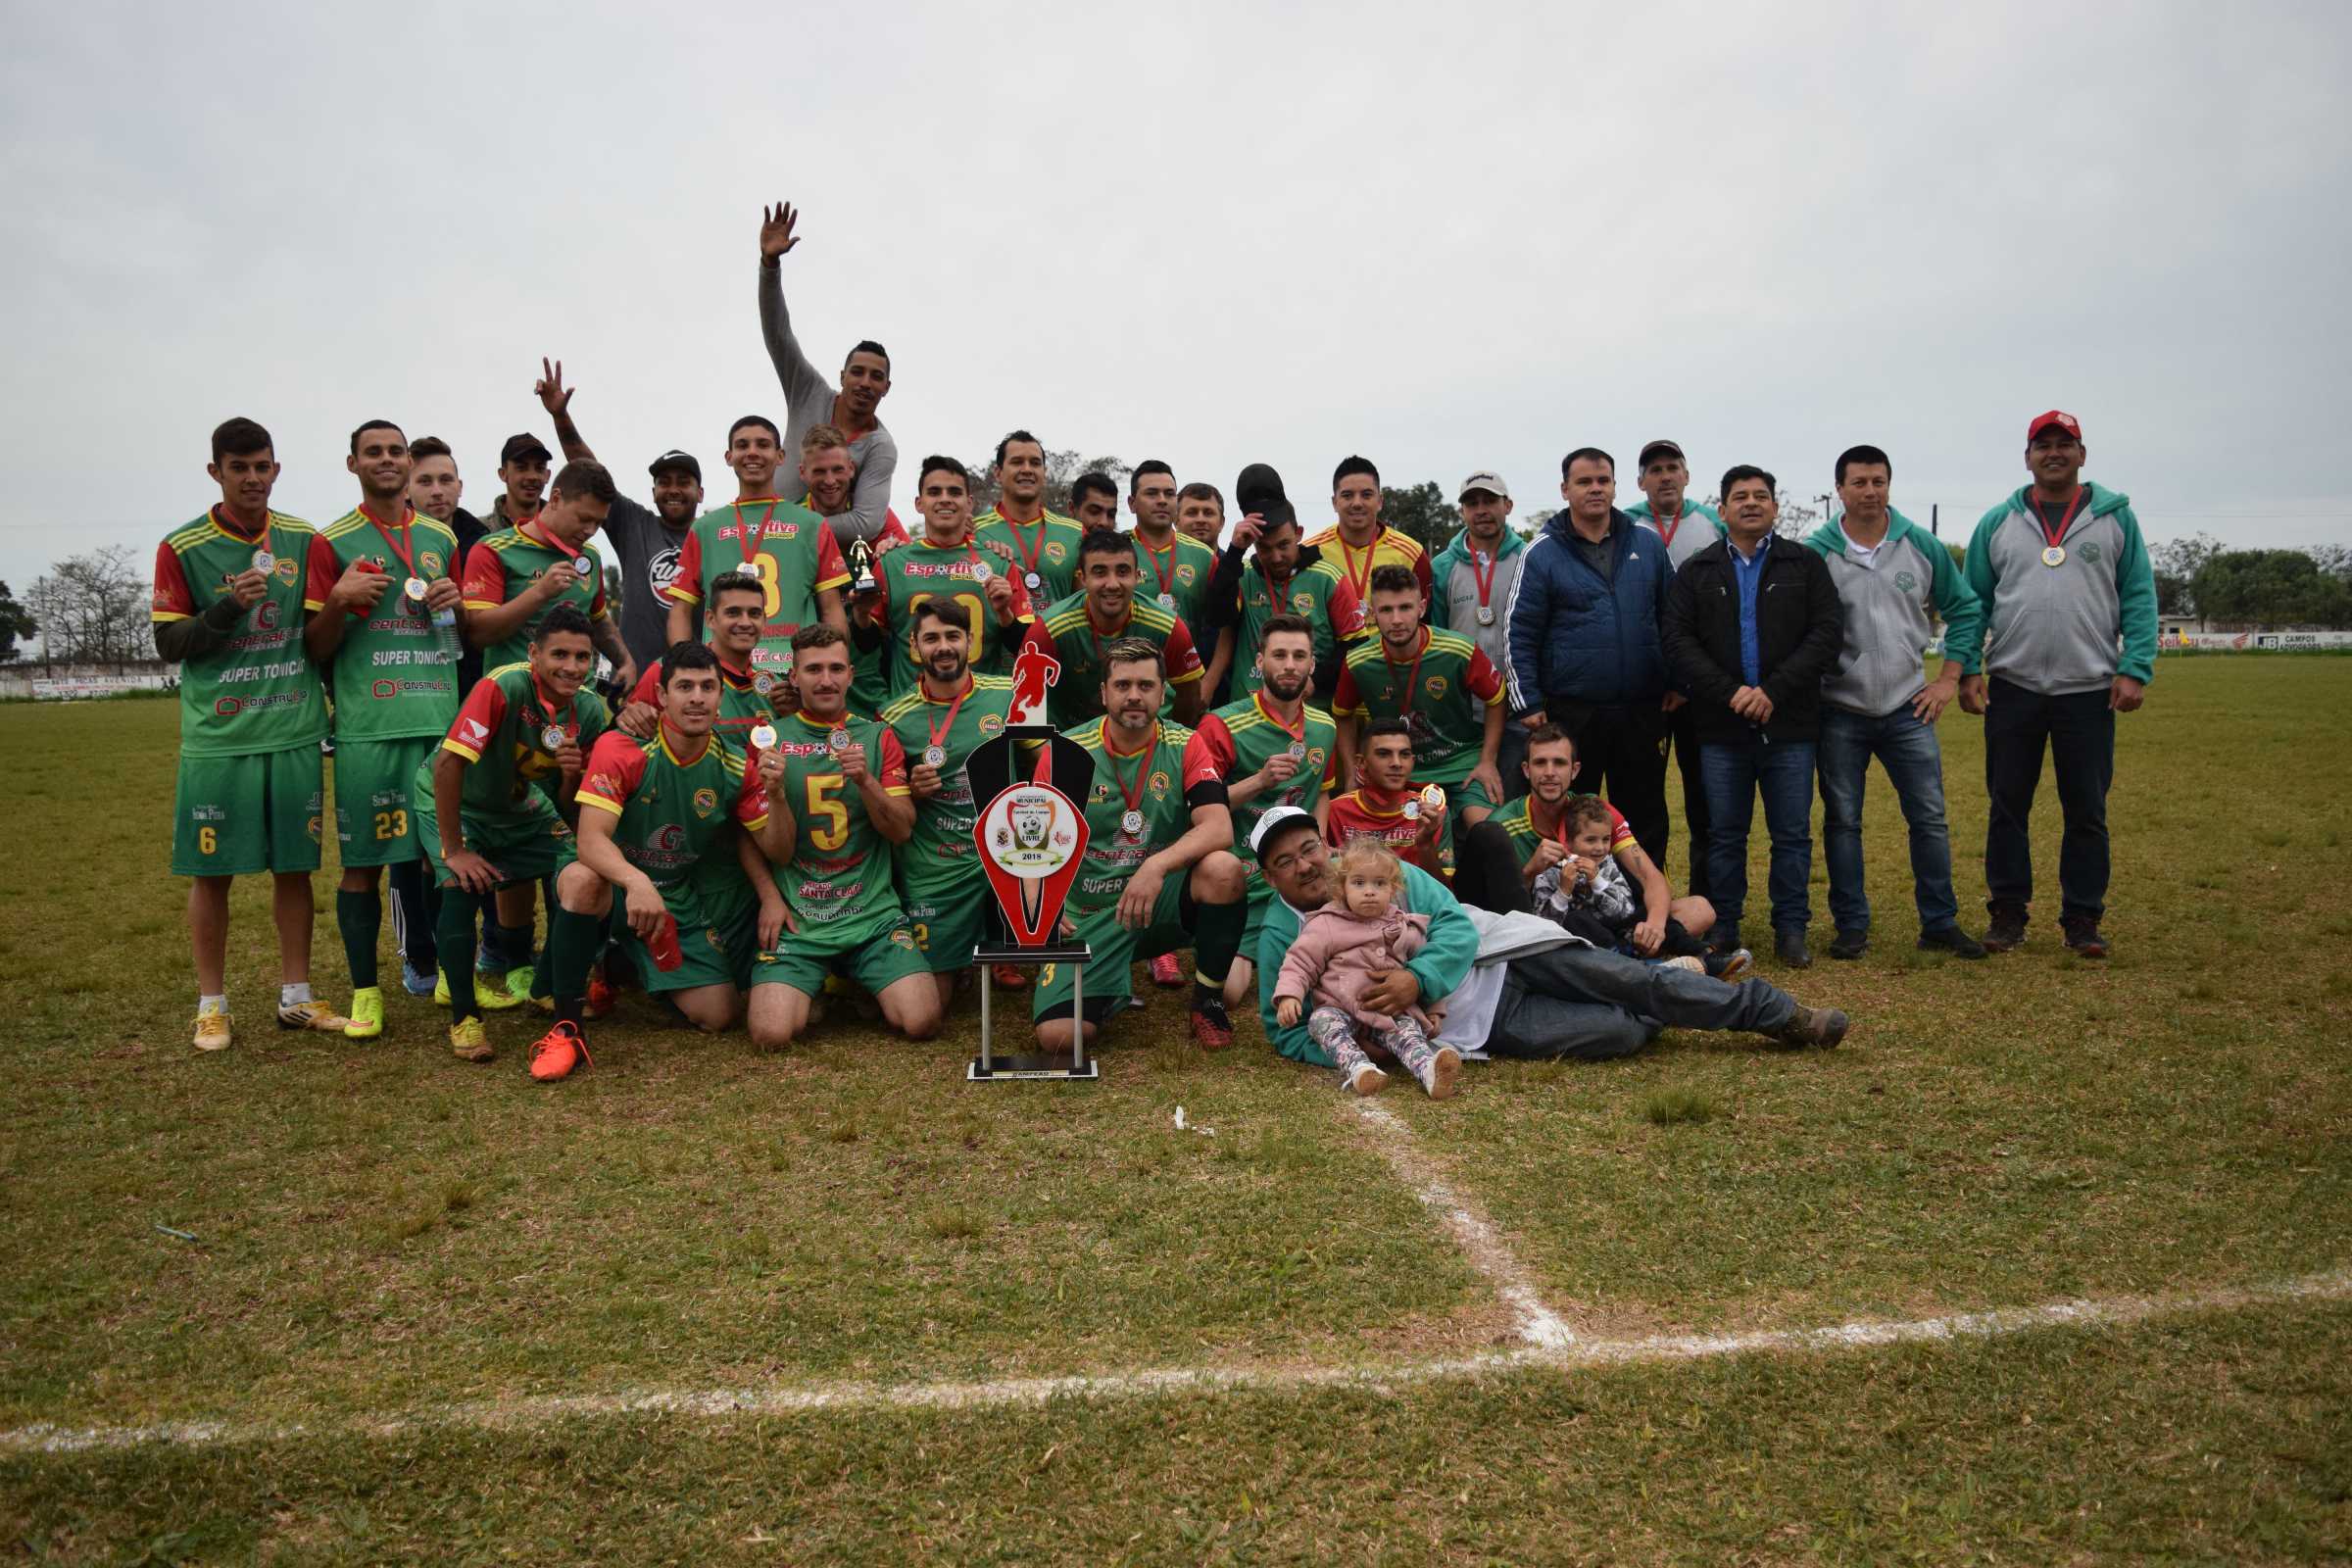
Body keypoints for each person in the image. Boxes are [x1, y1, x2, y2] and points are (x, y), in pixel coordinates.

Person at [1251, 808, 1848, 1067]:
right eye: (1285, 862)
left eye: (1309, 848)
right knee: (1619, 1030)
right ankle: (1670, 981)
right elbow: (1286, 1030)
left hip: (1506, 957)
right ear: (1268, 875)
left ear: (1323, 844)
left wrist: (1418, 978)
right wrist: (1363, 1046)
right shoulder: (1283, 932)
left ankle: (1776, 1014)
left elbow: (1456, 923)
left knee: (1633, 982)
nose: (1304, 865)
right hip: (1474, 1024)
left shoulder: (1378, 871)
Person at [152, 416, 353, 1049]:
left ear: (276, 469)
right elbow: (168, 643)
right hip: (220, 737)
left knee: (294, 869)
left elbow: (321, 636)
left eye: (262, 466)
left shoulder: (304, 540)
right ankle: (212, 1004)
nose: (252, 478)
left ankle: (296, 996)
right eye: (238, 468)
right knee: (212, 875)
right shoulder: (182, 546)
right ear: (216, 472)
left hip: (292, 731)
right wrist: (228, 606)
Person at [1949, 410, 2157, 957]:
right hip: (2013, 687)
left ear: (2082, 455)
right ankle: (2008, 914)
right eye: (2043, 445)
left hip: (2088, 689)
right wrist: (1969, 669)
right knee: (2006, 806)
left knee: (2086, 810)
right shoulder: (1998, 522)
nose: (2054, 453)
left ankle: (2083, 918)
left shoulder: (2116, 520)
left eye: (2065, 444)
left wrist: (2134, 667)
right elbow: (1973, 604)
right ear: (2028, 457)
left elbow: (2138, 596)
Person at [532, 643, 771, 1080]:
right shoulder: (622, 747)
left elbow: (766, 844)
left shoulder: (736, 766)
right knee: (585, 880)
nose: (696, 697)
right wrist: (635, 881)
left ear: (721, 697)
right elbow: (590, 841)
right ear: (661, 696)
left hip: (671, 892)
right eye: (684, 687)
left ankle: (615, 962)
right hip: (611, 878)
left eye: (707, 687)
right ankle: (566, 1029)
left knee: (718, 1015)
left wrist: (776, 795)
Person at [304, 419, 466, 1037]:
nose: (388, 460)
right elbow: (315, 647)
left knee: (448, 859)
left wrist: (454, 605)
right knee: (362, 865)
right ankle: (366, 992)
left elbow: (462, 638)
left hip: (437, 722)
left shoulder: (439, 537)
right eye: (374, 452)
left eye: (396, 451)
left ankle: (452, 972)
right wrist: (341, 599)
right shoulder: (332, 542)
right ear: (353, 465)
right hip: (369, 727)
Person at [1803, 445, 1987, 960]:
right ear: (1839, 489)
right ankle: (1851, 926)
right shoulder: (1816, 552)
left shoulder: (1920, 546)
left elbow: (1966, 608)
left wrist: (1949, 679)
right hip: (1840, 708)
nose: (1870, 491)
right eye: (1858, 482)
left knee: (1929, 817)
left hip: (1911, 706)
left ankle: (1940, 921)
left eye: (1878, 481)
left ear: (1889, 485)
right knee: (1842, 820)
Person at [1662, 465, 1843, 967]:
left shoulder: (1804, 565)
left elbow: (1826, 635)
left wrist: (1772, 691)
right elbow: (1678, 641)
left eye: (1761, 495)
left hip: (1789, 726)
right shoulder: (1697, 571)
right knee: (1724, 834)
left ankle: (1791, 929)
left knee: (1791, 834)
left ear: (1775, 507)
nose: (1751, 503)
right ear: (1720, 510)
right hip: (1721, 729)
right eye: (1739, 496)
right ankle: (1724, 927)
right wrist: (1732, 693)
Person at [1031, 639, 1249, 1054]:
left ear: (1163, 693)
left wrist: (1156, 867)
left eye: (1146, 686)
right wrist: (1041, 903)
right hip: (1089, 912)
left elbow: (1218, 827)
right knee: (1059, 1039)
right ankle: (1108, 984)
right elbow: (1031, 845)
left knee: (1223, 869)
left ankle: (1208, 1001)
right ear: (1104, 693)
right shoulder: (1065, 753)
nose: (1135, 696)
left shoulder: (1186, 744)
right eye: (1123, 685)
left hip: (1155, 901)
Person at [416, 606, 610, 1061]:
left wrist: (567, 778)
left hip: (519, 807)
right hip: (456, 800)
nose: (571, 667)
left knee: (582, 866)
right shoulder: (503, 685)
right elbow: (448, 764)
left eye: (582, 657)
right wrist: (454, 848)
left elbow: (570, 807)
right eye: (559, 654)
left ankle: (546, 988)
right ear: (534, 654)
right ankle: (464, 1018)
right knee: (460, 882)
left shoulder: (589, 711)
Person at [744, 625, 941, 1050]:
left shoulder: (876, 736)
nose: (826, 680)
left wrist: (867, 781)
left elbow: (902, 829)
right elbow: (775, 851)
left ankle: (858, 981)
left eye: (836, 668)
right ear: (793, 677)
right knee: (770, 1034)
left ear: (851, 674)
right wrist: (775, 796)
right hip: (802, 918)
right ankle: (822, 984)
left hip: (871, 913)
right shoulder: (770, 741)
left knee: (922, 1020)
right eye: (813, 669)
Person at [1503, 447, 1680, 875]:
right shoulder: (1542, 552)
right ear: (1565, 490)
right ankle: (1572, 905)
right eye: (1584, 482)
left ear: (1616, 486)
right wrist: (1527, 701)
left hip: (1641, 707)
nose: (1595, 489)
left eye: (1603, 480)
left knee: (1645, 814)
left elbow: (1674, 618)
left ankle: (1642, 909)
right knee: (1573, 816)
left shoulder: (1647, 544)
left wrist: (1678, 681)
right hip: (1573, 711)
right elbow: (1518, 631)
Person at [1482, 724, 1735, 972]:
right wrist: (1530, 871)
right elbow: (1494, 914)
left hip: (1608, 924)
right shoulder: (1501, 824)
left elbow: (1650, 877)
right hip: (1548, 931)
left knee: (1699, 909)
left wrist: (1655, 926)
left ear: (1575, 770)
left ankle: (1640, 956)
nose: (1550, 772)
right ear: (1526, 770)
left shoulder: (1593, 812)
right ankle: (1642, 964)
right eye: (1540, 763)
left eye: (1559, 763)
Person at [1183, 614, 1341, 1008]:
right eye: (1280, 655)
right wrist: (1259, 781)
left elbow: (1322, 792)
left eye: (1299, 655)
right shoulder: (1221, 724)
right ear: (1260, 661)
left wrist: (1318, 847)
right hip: (1248, 879)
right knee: (1231, 994)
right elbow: (1198, 812)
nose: (1289, 665)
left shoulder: (1325, 726)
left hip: (1304, 877)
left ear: (1312, 664)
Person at [880, 599, 1021, 1004]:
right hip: (937, 862)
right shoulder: (894, 716)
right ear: (914, 646)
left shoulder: (1009, 695)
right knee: (936, 1003)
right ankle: (961, 960)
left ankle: (1002, 948)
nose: (943, 646)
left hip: (1003, 851)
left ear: (971, 642)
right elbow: (891, 797)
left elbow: (1041, 768)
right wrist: (911, 789)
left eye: (952, 636)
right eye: (932, 638)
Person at [533, 357, 704, 672]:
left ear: (701, 494)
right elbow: (590, 473)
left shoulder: (712, 534)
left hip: (694, 682)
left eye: (684, 482)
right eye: (664, 483)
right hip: (635, 680)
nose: (673, 489)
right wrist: (561, 416)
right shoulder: (635, 525)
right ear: (652, 492)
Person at [662, 416, 852, 681]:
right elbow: (680, 611)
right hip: (722, 677)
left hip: (793, 676)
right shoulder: (705, 528)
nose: (752, 452)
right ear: (729, 456)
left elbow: (832, 609)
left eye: (763, 444)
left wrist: (830, 671)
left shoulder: (811, 524)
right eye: (743, 445)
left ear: (780, 455)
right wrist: (688, 671)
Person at [1274, 840, 1461, 1099]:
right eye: (1359, 883)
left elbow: (1426, 966)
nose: (1370, 891)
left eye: (1379, 883)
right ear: (1342, 889)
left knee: (1408, 1032)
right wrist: (1289, 995)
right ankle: (1358, 1068)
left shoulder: (1403, 926)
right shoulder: (1327, 923)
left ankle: (1429, 1071)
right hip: (1339, 1007)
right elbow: (1300, 961)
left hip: (1387, 1011)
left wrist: (1434, 1008)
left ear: (1393, 889)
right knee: (1320, 1022)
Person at [757, 201, 896, 545]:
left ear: (887, 388)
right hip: (758, 532)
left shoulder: (881, 447)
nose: (865, 383)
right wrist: (769, 266)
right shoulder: (808, 392)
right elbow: (779, 335)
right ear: (842, 376)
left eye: (875, 377)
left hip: (819, 552)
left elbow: (867, 521)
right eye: (857, 372)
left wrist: (788, 529)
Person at [1622, 438, 1725, 895]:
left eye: (1672, 467)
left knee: (1705, 799)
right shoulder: (1622, 525)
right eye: (1654, 469)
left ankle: (1708, 898)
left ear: (1686, 475)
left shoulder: (1712, 525)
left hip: (1701, 689)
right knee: (1643, 802)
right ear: (1640, 481)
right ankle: (1646, 898)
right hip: (1645, 688)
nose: (1664, 476)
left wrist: (1689, 678)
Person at [1334, 564, 1507, 832]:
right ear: (1372, 613)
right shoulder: (1359, 662)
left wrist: (1487, 761)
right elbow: (1343, 714)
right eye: (1386, 610)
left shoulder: (1458, 650)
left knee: (1487, 831)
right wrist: (1350, 775)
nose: (1397, 620)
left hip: (1461, 764)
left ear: (1422, 608)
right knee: (1396, 838)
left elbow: (1496, 698)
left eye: (1405, 607)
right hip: (1396, 772)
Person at [864, 455, 1033, 698]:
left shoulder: (999, 563)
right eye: (934, 492)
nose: (945, 499)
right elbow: (867, 646)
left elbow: (1027, 647)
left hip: (981, 713)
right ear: (919, 503)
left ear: (969, 502)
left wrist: (1005, 614)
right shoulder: (891, 563)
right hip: (911, 712)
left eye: (954, 492)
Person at [1201, 468, 1367, 705]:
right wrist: (1235, 550)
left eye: (1284, 545)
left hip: (1311, 712)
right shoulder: (1242, 574)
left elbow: (1355, 646)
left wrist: (1316, 680)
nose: (1276, 557)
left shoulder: (1329, 579)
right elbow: (1217, 617)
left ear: (1299, 534)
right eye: (1265, 548)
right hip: (1248, 709)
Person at [462, 460, 633, 686]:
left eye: (598, 523)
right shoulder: (493, 549)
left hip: (578, 705)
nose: (590, 531)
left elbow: (598, 621)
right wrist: (540, 592)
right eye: (583, 519)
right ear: (555, 499)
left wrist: (626, 661)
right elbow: (478, 635)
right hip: (516, 699)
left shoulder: (589, 555)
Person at [1018, 528, 1205, 728]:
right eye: (1100, 572)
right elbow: (1026, 703)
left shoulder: (1167, 626)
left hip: (1143, 734)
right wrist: (1050, 754)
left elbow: (1190, 693)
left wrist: (1167, 745)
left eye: (1123, 572)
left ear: (1137, 576)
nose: (1113, 584)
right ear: (1083, 578)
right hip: (1069, 739)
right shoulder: (1049, 628)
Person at [1428, 470, 1530, 795]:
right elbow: (1436, 637)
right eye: (1472, 503)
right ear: (1462, 512)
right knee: (1466, 798)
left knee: (1512, 795)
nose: (1481, 509)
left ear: (1508, 505)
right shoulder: (1442, 566)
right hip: (1463, 711)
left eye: (1490, 500)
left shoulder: (1529, 558)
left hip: (1517, 707)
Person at [407, 436, 489, 697]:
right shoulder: (381, 538)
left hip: (468, 686)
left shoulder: (486, 543)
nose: (437, 491)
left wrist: (460, 611)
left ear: (460, 486)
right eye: (424, 481)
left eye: (446, 480)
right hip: (405, 682)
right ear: (405, 489)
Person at [1325, 717, 1451, 881]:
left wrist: (1425, 845)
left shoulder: (1435, 812)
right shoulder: (1335, 811)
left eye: (1404, 755)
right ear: (1361, 763)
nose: (1397, 763)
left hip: (1417, 904)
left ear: (1412, 762)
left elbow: (1443, 892)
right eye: (1384, 754)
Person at [1304, 455, 1432, 612]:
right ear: (1334, 502)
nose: (1357, 503)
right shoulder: (1309, 552)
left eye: (1366, 495)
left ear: (1380, 501)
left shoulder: (1412, 554)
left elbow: (1424, 619)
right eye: (1347, 495)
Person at [975, 431, 1085, 606]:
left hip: (1057, 633)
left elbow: (1083, 603)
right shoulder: (975, 532)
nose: (1027, 469)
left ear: (1044, 472)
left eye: (1035, 463)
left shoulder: (1075, 532)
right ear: (998, 473)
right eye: (1017, 462)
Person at [1125, 461, 1218, 630]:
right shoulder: (1115, 547)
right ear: (1132, 504)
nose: (1162, 500)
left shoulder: (1204, 556)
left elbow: (1226, 624)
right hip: (1125, 656)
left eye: (1169, 494)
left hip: (1186, 656)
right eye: (1152, 494)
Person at [482, 431, 552, 534]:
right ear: (503, 474)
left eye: (539, 468)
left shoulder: (563, 532)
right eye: (521, 468)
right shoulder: (479, 530)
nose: (532, 476)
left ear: (547, 475)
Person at [1176, 480, 1225, 549]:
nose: (1200, 520)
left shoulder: (1236, 559)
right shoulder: (1157, 559)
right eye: (1191, 513)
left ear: (1221, 523)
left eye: (1208, 513)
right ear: (1176, 521)